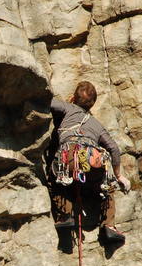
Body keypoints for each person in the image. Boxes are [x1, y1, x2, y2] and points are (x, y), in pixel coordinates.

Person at [49, 81, 130, 244]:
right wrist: (118, 175)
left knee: (56, 178)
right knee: (107, 187)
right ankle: (109, 226)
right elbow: (113, 148)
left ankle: (66, 216)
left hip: (70, 158)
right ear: (92, 104)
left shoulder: (67, 108)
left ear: (73, 98)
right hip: (93, 163)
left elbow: (47, 102)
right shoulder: (97, 124)